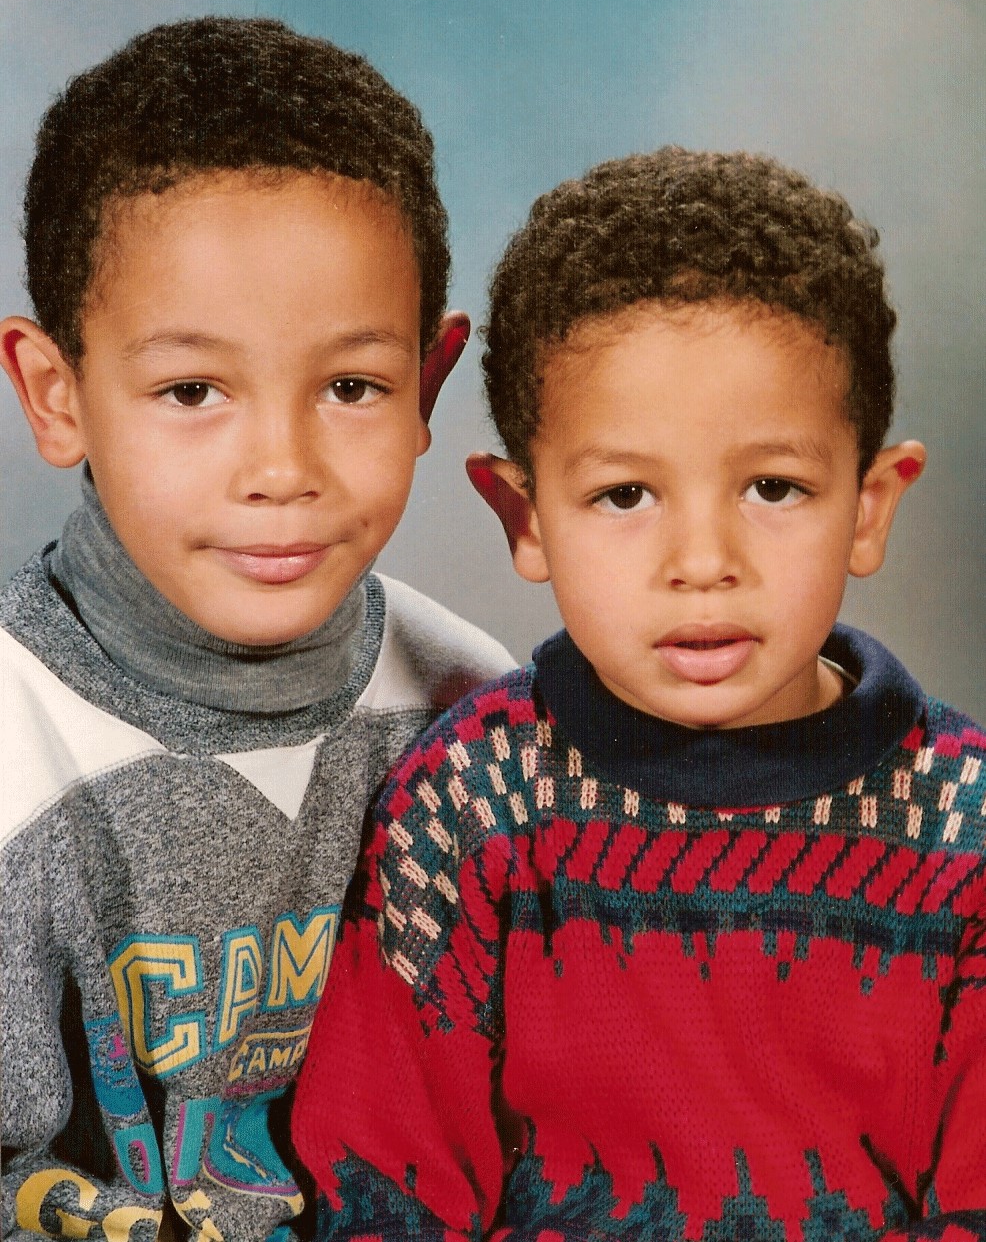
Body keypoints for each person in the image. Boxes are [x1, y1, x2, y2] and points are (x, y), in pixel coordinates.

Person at [292, 148, 986, 1241]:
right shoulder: (471, 801)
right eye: (624, 493)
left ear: (866, 504)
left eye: (772, 487)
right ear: (523, 517)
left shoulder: (964, 832)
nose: (700, 559)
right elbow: (387, 1184)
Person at [0, 16, 514, 1242]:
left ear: (431, 384)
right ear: (55, 392)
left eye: (351, 386)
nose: (281, 468)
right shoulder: (17, 747)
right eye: (192, 392)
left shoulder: (473, 707)